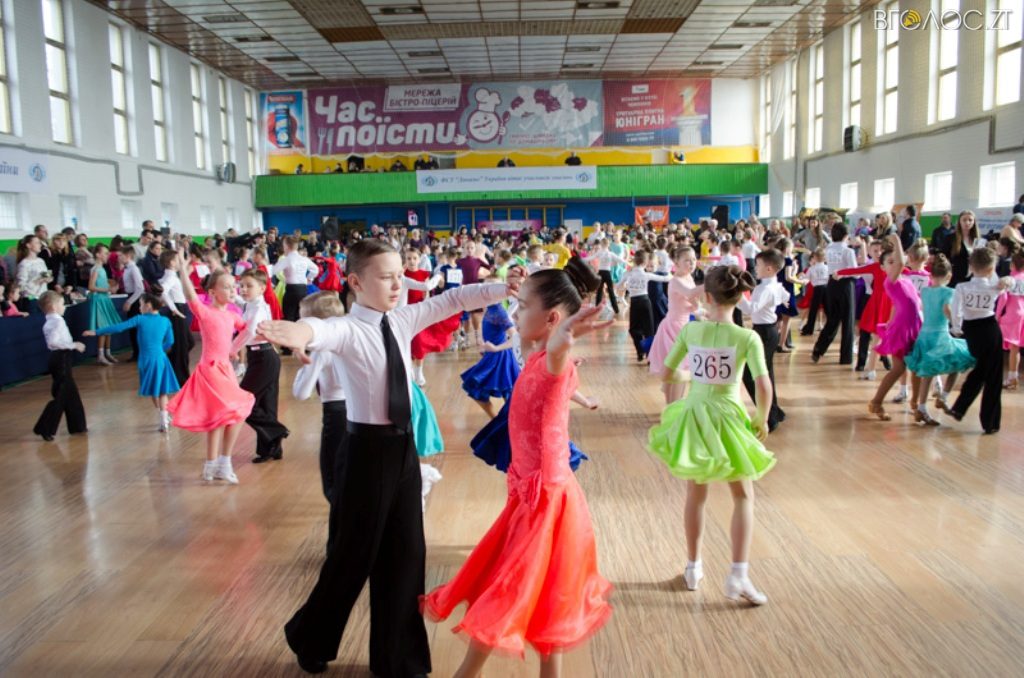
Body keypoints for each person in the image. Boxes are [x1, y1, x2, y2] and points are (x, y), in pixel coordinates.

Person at [256, 239, 525, 677]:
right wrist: (298, 332)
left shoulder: (401, 319)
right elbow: (319, 331)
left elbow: (453, 299)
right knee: (351, 558)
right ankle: (311, 638)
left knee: (407, 555)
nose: (398, 284)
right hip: (364, 454)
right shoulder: (347, 328)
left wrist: (502, 287)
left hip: (402, 450)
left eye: (400, 275)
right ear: (356, 282)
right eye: (386, 277)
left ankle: (399, 661)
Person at [422, 259, 612, 678]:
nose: (514, 313)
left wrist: (563, 337)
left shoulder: (554, 359)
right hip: (528, 495)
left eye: (523, 306)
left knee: (510, 590)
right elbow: (542, 343)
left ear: (553, 319)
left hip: (547, 502)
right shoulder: (533, 355)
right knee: (540, 592)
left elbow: (558, 350)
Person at [648, 265, 775, 605]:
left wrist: (694, 379)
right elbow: (763, 385)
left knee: (696, 493)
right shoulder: (747, 338)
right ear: (741, 296)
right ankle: (738, 575)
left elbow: (669, 371)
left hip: (695, 414)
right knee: (743, 495)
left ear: (706, 297)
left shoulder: (692, 331)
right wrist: (762, 418)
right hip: (729, 416)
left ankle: (693, 567)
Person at [166, 250, 255, 483]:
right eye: (227, 287)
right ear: (213, 292)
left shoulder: (232, 315)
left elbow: (248, 329)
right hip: (211, 369)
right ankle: (223, 463)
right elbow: (189, 295)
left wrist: (235, 347)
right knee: (241, 406)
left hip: (225, 370)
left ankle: (212, 465)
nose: (232, 290)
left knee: (220, 418)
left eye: (233, 286)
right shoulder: (205, 312)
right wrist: (183, 270)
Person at [292, 291, 348, 549]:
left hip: (335, 415)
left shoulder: (320, 350)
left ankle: (341, 541)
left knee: (333, 480)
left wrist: (302, 363)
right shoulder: (348, 338)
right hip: (358, 413)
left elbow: (301, 393)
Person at [941, 248, 1018, 433]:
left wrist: (956, 329)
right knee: (993, 377)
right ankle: (990, 423)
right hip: (990, 330)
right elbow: (1013, 283)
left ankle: (959, 408)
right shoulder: (995, 286)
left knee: (981, 369)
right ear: (991, 269)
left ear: (971, 265)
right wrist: (1008, 280)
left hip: (971, 332)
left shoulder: (962, 287)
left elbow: (956, 311)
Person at [85, 293, 180, 431]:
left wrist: (97, 332)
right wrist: (159, 350)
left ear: (148, 305)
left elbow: (119, 327)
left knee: (154, 391)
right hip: (161, 359)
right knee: (162, 391)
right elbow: (170, 341)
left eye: (140, 305)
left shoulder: (140, 319)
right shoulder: (166, 321)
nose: (139, 308)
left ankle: (163, 417)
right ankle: (164, 419)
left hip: (146, 360)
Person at [905, 254, 975, 422]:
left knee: (928, 372)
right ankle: (942, 396)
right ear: (949, 276)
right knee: (960, 361)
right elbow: (947, 309)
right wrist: (955, 324)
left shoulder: (925, 291)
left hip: (924, 335)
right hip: (939, 335)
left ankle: (922, 407)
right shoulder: (949, 292)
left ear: (931, 275)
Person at [233, 269, 290, 463]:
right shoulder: (251, 304)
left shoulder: (258, 308)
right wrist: (232, 296)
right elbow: (242, 304)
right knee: (266, 405)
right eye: (241, 285)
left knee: (242, 401)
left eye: (249, 286)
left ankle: (277, 431)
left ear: (262, 288)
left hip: (265, 358)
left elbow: (250, 332)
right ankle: (271, 449)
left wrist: (232, 349)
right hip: (259, 357)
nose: (243, 289)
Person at [866, 236, 923, 422]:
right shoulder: (891, 280)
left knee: (917, 367)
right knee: (898, 369)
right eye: (889, 262)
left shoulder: (905, 279)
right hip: (903, 330)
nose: (895, 264)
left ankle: (916, 404)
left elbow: (900, 306)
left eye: (894, 260)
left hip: (914, 327)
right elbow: (900, 262)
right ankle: (876, 402)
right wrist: (898, 239)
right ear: (882, 267)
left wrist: (890, 323)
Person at [738, 249, 790, 432]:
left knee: (751, 373)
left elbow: (750, 309)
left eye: (758, 265)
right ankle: (775, 412)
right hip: (768, 331)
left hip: (764, 333)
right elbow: (786, 296)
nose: (755, 268)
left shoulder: (764, 289)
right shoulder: (774, 285)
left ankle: (769, 417)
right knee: (766, 373)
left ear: (769, 269)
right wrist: (782, 302)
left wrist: (737, 295)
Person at [647, 246, 701, 403]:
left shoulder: (689, 278)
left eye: (694, 259)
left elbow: (692, 305)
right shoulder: (676, 281)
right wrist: (711, 284)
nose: (692, 263)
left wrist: (701, 311)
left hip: (684, 326)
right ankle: (672, 407)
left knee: (679, 369)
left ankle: (672, 407)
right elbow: (690, 294)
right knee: (679, 369)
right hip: (673, 327)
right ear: (676, 263)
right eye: (687, 260)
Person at [33, 291, 88, 441]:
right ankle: (44, 428)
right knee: (62, 395)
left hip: (61, 358)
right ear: (53, 306)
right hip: (61, 358)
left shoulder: (53, 321)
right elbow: (54, 342)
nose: (64, 307)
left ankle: (78, 426)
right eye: (62, 304)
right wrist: (74, 345)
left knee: (71, 393)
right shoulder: (56, 321)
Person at [460, 287, 520, 419]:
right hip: (492, 357)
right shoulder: (490, 308)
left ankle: (507, 422)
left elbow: (515, 337)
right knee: (477, 389)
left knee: (508, 395)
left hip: (501, 359)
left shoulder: (499, 311)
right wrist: (484, 344)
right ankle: (499, 421)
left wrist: (496, 348)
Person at [812, 223, 858, 365]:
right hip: (846, 285)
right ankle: (846, 357)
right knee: (848, 321)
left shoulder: (828, 249)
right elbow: (854, 272)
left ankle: (819, 349)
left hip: (831, 284)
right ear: (846, 235)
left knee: (832, 319)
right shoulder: (848, 251)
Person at [622, 251, 672, 362]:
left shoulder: (641, 274)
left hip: (647, 304)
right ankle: (642, 351)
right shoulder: (643, 275)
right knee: (642, 330)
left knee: (645, 330)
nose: (650, 268)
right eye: (648, 265)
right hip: (644, 303)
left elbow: (619, 285)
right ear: (645, 263)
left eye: (652, 266)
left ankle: (647, 354)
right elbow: (666, 278)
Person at [87, 244, 123, 365]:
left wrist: (110, 286)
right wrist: (107, 289)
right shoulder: (96, 269)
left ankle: (107, 352)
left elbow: (101, 283)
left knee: (109, 326)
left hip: (104, 298)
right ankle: (101, 355)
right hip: (99, 299)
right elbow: (91, 286)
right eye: (105, 253)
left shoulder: (101, 269)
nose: (108, 255)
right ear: (98, 255)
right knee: (103, 327)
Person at [997, 251, 1024, 389]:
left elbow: (1003, 299)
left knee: (1001, 345)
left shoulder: (1010, 279)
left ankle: (1007, 377)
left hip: (1012, 315)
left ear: (1012, 264)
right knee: (1015, 347)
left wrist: (997, 316)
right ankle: (1013, 376)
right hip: (1022, 314)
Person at [279, 235, 319, 325]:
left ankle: (290, 332)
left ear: (286, 246)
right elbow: (315, 269)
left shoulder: (286, 259)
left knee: (289, 314)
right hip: (302, 289)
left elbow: (275, 271)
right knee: (300, 314)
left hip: (291, 289)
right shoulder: (304, 259)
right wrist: (309, 278)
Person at [120, 247, 146, 362]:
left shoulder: (133, 269)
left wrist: (129, 301)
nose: (119, 258)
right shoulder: (127, 268)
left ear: (128, 256)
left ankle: (138, 353)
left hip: (135, 299)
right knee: (133, 328)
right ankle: (136, 352)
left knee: (135, 328)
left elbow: (140, 288)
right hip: (131, 296)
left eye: (121, 255)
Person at [799, 248, 829, 335]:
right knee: (828, 310)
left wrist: (801, 278)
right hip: (826, 288)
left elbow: (806, 279)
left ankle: (809, 329)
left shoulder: (812, 268)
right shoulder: (827, 267)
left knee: (813, 310)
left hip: (817, 289)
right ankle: (829, 328)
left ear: (815, 257)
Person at [16, 235, 51, 307]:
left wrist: (48, 278)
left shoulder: (41, 261)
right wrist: (38, 281)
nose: (40, 245)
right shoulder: (24, 264)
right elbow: (21, 286)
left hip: (43, 297)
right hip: (31, 298)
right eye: (37, 243)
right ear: (28, 245)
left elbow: (46, 275)